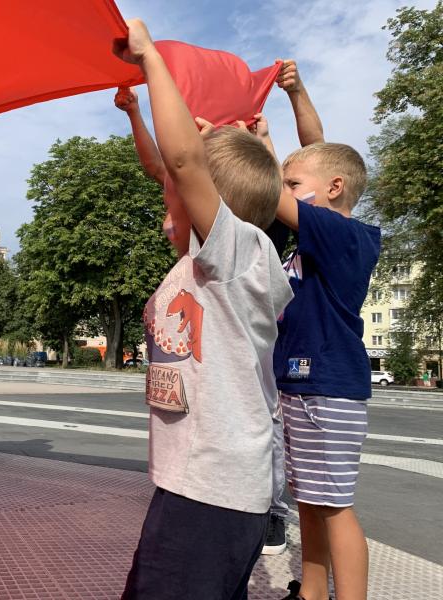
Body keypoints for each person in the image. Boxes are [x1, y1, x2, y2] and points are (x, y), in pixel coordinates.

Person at [114, 19, 293, 599]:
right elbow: (173, 165)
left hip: (212, 489)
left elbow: (186, 164)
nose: (165, 186)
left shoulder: (238, 254)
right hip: (197, 485)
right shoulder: (207, 261)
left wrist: (151, 61)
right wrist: (137, 115)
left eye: (176, 186)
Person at [271, 80, 380, 600]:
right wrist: (290, 104)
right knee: (310, 503)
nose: (284, 191)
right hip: (302, 388)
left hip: (328, 388)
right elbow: (305, 164)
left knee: (335, 505)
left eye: (294, 185)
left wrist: (238, 149)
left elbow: (271, 185)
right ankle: (312, 592)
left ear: (332, 189)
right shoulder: (318, 235)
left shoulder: (342, 236)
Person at [262, 59, 326, 557]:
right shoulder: (265, 226)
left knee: (301, 467)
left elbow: (314, 158)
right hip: (268, 349)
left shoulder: (315, 228)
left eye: (293, 186)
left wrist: (295, 92)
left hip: (310, 367)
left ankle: (274, 518)